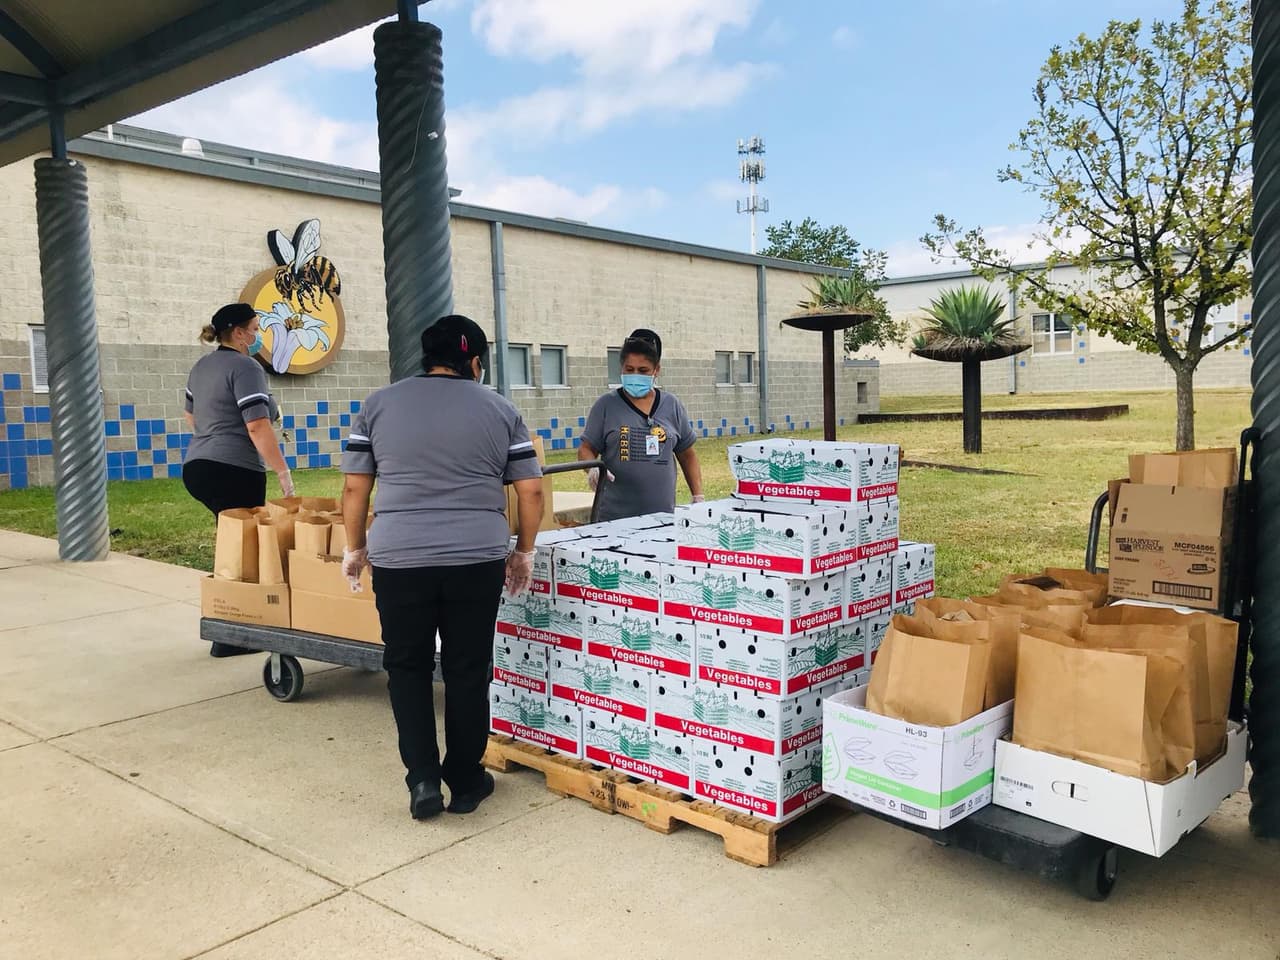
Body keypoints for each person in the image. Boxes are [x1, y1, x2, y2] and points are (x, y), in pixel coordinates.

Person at [339, 314, 544, 820]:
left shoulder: (377, 405)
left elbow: (354, 488)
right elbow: (532, 490)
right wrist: (524, 551)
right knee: (467, 668)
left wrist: (354, 547)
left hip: (400, 558)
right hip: (475, 558)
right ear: (475, 362)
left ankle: (423, 779)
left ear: (425, 358)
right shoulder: (500, 409)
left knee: (405, 666)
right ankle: (467, 780)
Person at [183, 302, 294, 658]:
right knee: (243, 549)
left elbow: (190, 417)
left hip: (198, 466)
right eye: (255, 327)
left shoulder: (201, 366)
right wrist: (282, 470)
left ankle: (228, 629)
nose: (259, 333)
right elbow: (256, 425)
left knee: (229, 543)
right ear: (238, 332)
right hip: (234, 469)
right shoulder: (245, 366)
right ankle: (231, 635)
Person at [578, 328, 704, 521]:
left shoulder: (671, 405)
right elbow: (586, 449)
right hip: (614, 518)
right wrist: (593, 469)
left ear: (656, 370)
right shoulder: (606, 405)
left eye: (643, 370)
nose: (635, 375)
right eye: (629, 370)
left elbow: (687, 456)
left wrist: (698, 496)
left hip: (662, 517)